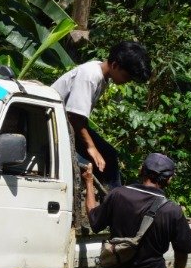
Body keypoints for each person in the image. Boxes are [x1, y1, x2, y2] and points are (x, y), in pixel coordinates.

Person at [54, 40, 150, 189]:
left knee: (109, 155)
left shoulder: (100, 74)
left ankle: (112, 196)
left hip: (68, 124)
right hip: (56, 126)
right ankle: (111, 199)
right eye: (126, 77)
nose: (126, 81)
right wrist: (91, 148)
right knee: (95, 161)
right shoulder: (90, 76)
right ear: (115, 65)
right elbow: (75, 117)